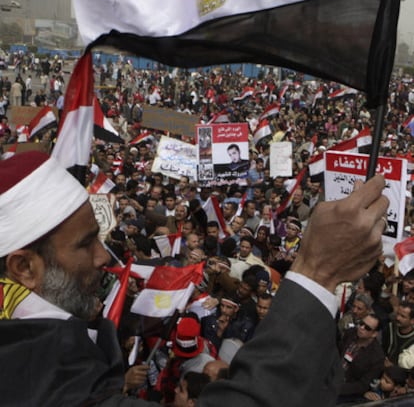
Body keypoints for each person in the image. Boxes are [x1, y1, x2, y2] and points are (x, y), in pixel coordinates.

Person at [0, 151, 389, 407]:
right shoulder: (36, 378)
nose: (105, 257)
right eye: (86, 244)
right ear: (24, 268)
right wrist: (318, 274)